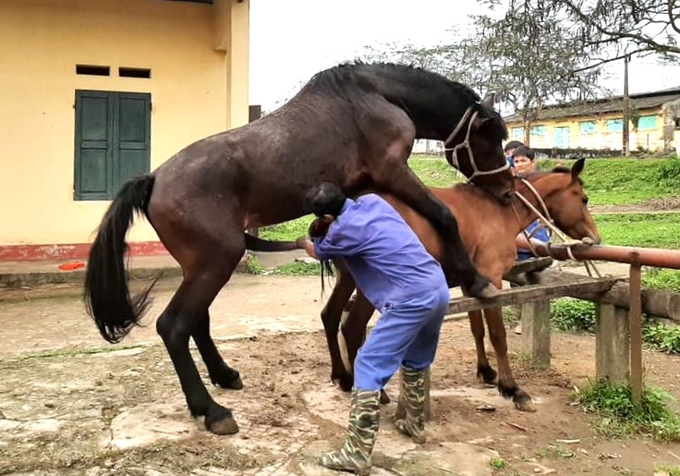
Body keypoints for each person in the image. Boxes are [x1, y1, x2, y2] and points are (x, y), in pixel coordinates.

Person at [296, 182, 450, 475]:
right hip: (436, 287)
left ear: (325, 219)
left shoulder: (341, 232)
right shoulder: (374, 202)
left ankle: (356, 454)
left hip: (408, 300)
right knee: (416, 359)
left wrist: (304, 242)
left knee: (366, 364)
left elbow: (318, 251)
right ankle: (415, 424)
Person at [510, 146, 551, 334]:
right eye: (516, 161)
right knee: (516, 282)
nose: (519, 165)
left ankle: (533, 322)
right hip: (515, 242)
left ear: (533, 162)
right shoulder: (512, 185)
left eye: (523, 161)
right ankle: (522, 319)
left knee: (535, 280)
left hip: (537, 238)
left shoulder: (542, 183)